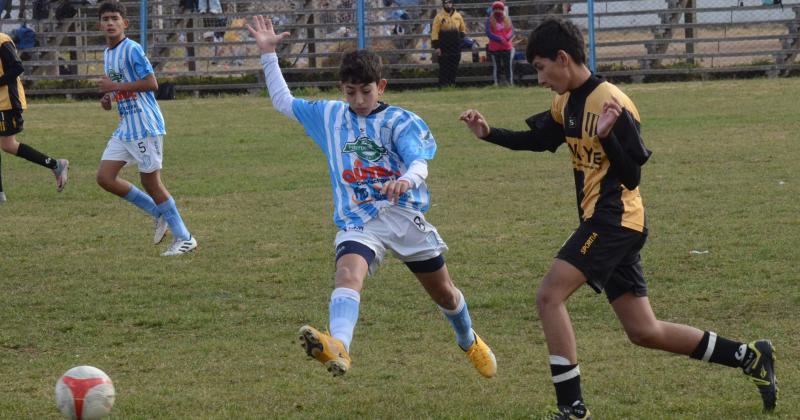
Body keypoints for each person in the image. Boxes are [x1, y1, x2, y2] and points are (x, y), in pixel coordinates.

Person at [459, 18, 777, 419]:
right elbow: (541, 141)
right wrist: (490, 133)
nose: (539, 78)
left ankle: (571, 408)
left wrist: (608, 134)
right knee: (644, 331)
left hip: (614, 221)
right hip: (604, 222)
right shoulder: (566, 101)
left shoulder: (612, 102)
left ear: (563, 58)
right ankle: (749, 357)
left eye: (540, 67)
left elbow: (632, 175)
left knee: (548, 296)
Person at [246, 15, 496, 378]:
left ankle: (468, 339)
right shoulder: (330, 116)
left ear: (381, 86)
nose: (359, 100)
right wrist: (268, 54)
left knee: (445, 294)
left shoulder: (400, 121)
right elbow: (283, 101)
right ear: (342, 89)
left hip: (403, 217)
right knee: (347, 275)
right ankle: (339, 347)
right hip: (358, 219)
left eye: (366, 91)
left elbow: (419, 162)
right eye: (350, 92)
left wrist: (406, 182)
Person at [95, 1, 197, 256]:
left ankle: (185, 238)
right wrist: (109, 98)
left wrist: (116, 88)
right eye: (105, 18)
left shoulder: (132, 49)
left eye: (114, 18)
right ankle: (157, 213)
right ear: (99, 24)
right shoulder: (108, 54)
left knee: (151, 182)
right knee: (105, 178)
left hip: (144, 125)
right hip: (125, 126)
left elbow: (152, 84)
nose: (110, 23)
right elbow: (120, 87)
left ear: (124, 23)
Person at [0, 31, 69, 203]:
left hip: (7, 102)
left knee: (8, 145)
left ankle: (55, 164)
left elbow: (17, 67)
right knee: (7, 145)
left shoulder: (2, 41)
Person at [430, 0, 465, 87]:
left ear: (452, 4)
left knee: (454, 67)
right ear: (443, 4)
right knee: (444, 67)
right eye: (446, 3)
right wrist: (436, 46)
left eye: (450, 3)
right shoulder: (439, 17)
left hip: (455, 47)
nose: (448, 5)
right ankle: (443, 86)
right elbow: (434, 32)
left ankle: (452, 85)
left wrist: (459, 40)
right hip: (443, 47)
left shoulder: (458, 16)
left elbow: (463, 30)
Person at [485, 1, 514, 85]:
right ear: (493, 10)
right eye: (496, 9)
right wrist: (499, 38)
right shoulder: (489, 20)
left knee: (507, 66)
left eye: (500, 9)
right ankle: (496, 83)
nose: (498, 11)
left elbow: (511, 30)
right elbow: (488, 33)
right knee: (497, 66)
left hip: (506, 47)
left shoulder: (507, 19)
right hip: (495, 48)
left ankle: (510, 83)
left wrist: (507, 37)